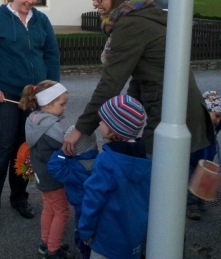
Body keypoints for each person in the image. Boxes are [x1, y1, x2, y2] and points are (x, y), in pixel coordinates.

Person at [63, 0, 214, 157]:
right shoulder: (143, 15)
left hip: (171, 114)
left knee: (159, 170)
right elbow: (140, 75)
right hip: (182, 112)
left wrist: (81, 129)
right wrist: (123, 117)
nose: (95, 3)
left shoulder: (131, 24)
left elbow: (110, 83)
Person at [0, 0, 61, 231]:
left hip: (33, 98)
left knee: (24, 151)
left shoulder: (41, 20)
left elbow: (51, 54)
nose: (30, 1)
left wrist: (52, 88)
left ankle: (19, 199)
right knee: (0, 152)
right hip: (3, 97)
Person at [77, 95, 151, 259]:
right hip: (134, 239)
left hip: (106, 241)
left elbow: (93, 201)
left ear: (113, 129)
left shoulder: (105, 162)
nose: (99, 123)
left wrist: (85, 231)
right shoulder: (146, 161)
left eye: (103, 121)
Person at [20, 81, 76, 259]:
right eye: (62, 104)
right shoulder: (51, 127)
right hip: (53, 177)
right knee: (62, 212)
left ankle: (46, 242)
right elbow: (66, 146)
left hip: (41, 174)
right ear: (48, 104)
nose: (65, 108)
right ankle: (53, 250)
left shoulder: (34, 119)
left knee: (49, 209)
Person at [48, 131, 98, 259]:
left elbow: (53, 167)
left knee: (82, 232)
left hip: (80, 206)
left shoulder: (72, 166)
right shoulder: (99, 160)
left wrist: (62, 152)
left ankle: (84, 251)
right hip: (97, 204)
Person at [186, 91, 221, 221]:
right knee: (191, 182)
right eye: (217, 116)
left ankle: (200, 201)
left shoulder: (214, 127)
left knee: (203, 183)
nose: (218, 120)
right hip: (191, 160)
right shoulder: (196, 125)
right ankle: (190, 206)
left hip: (206, 162)